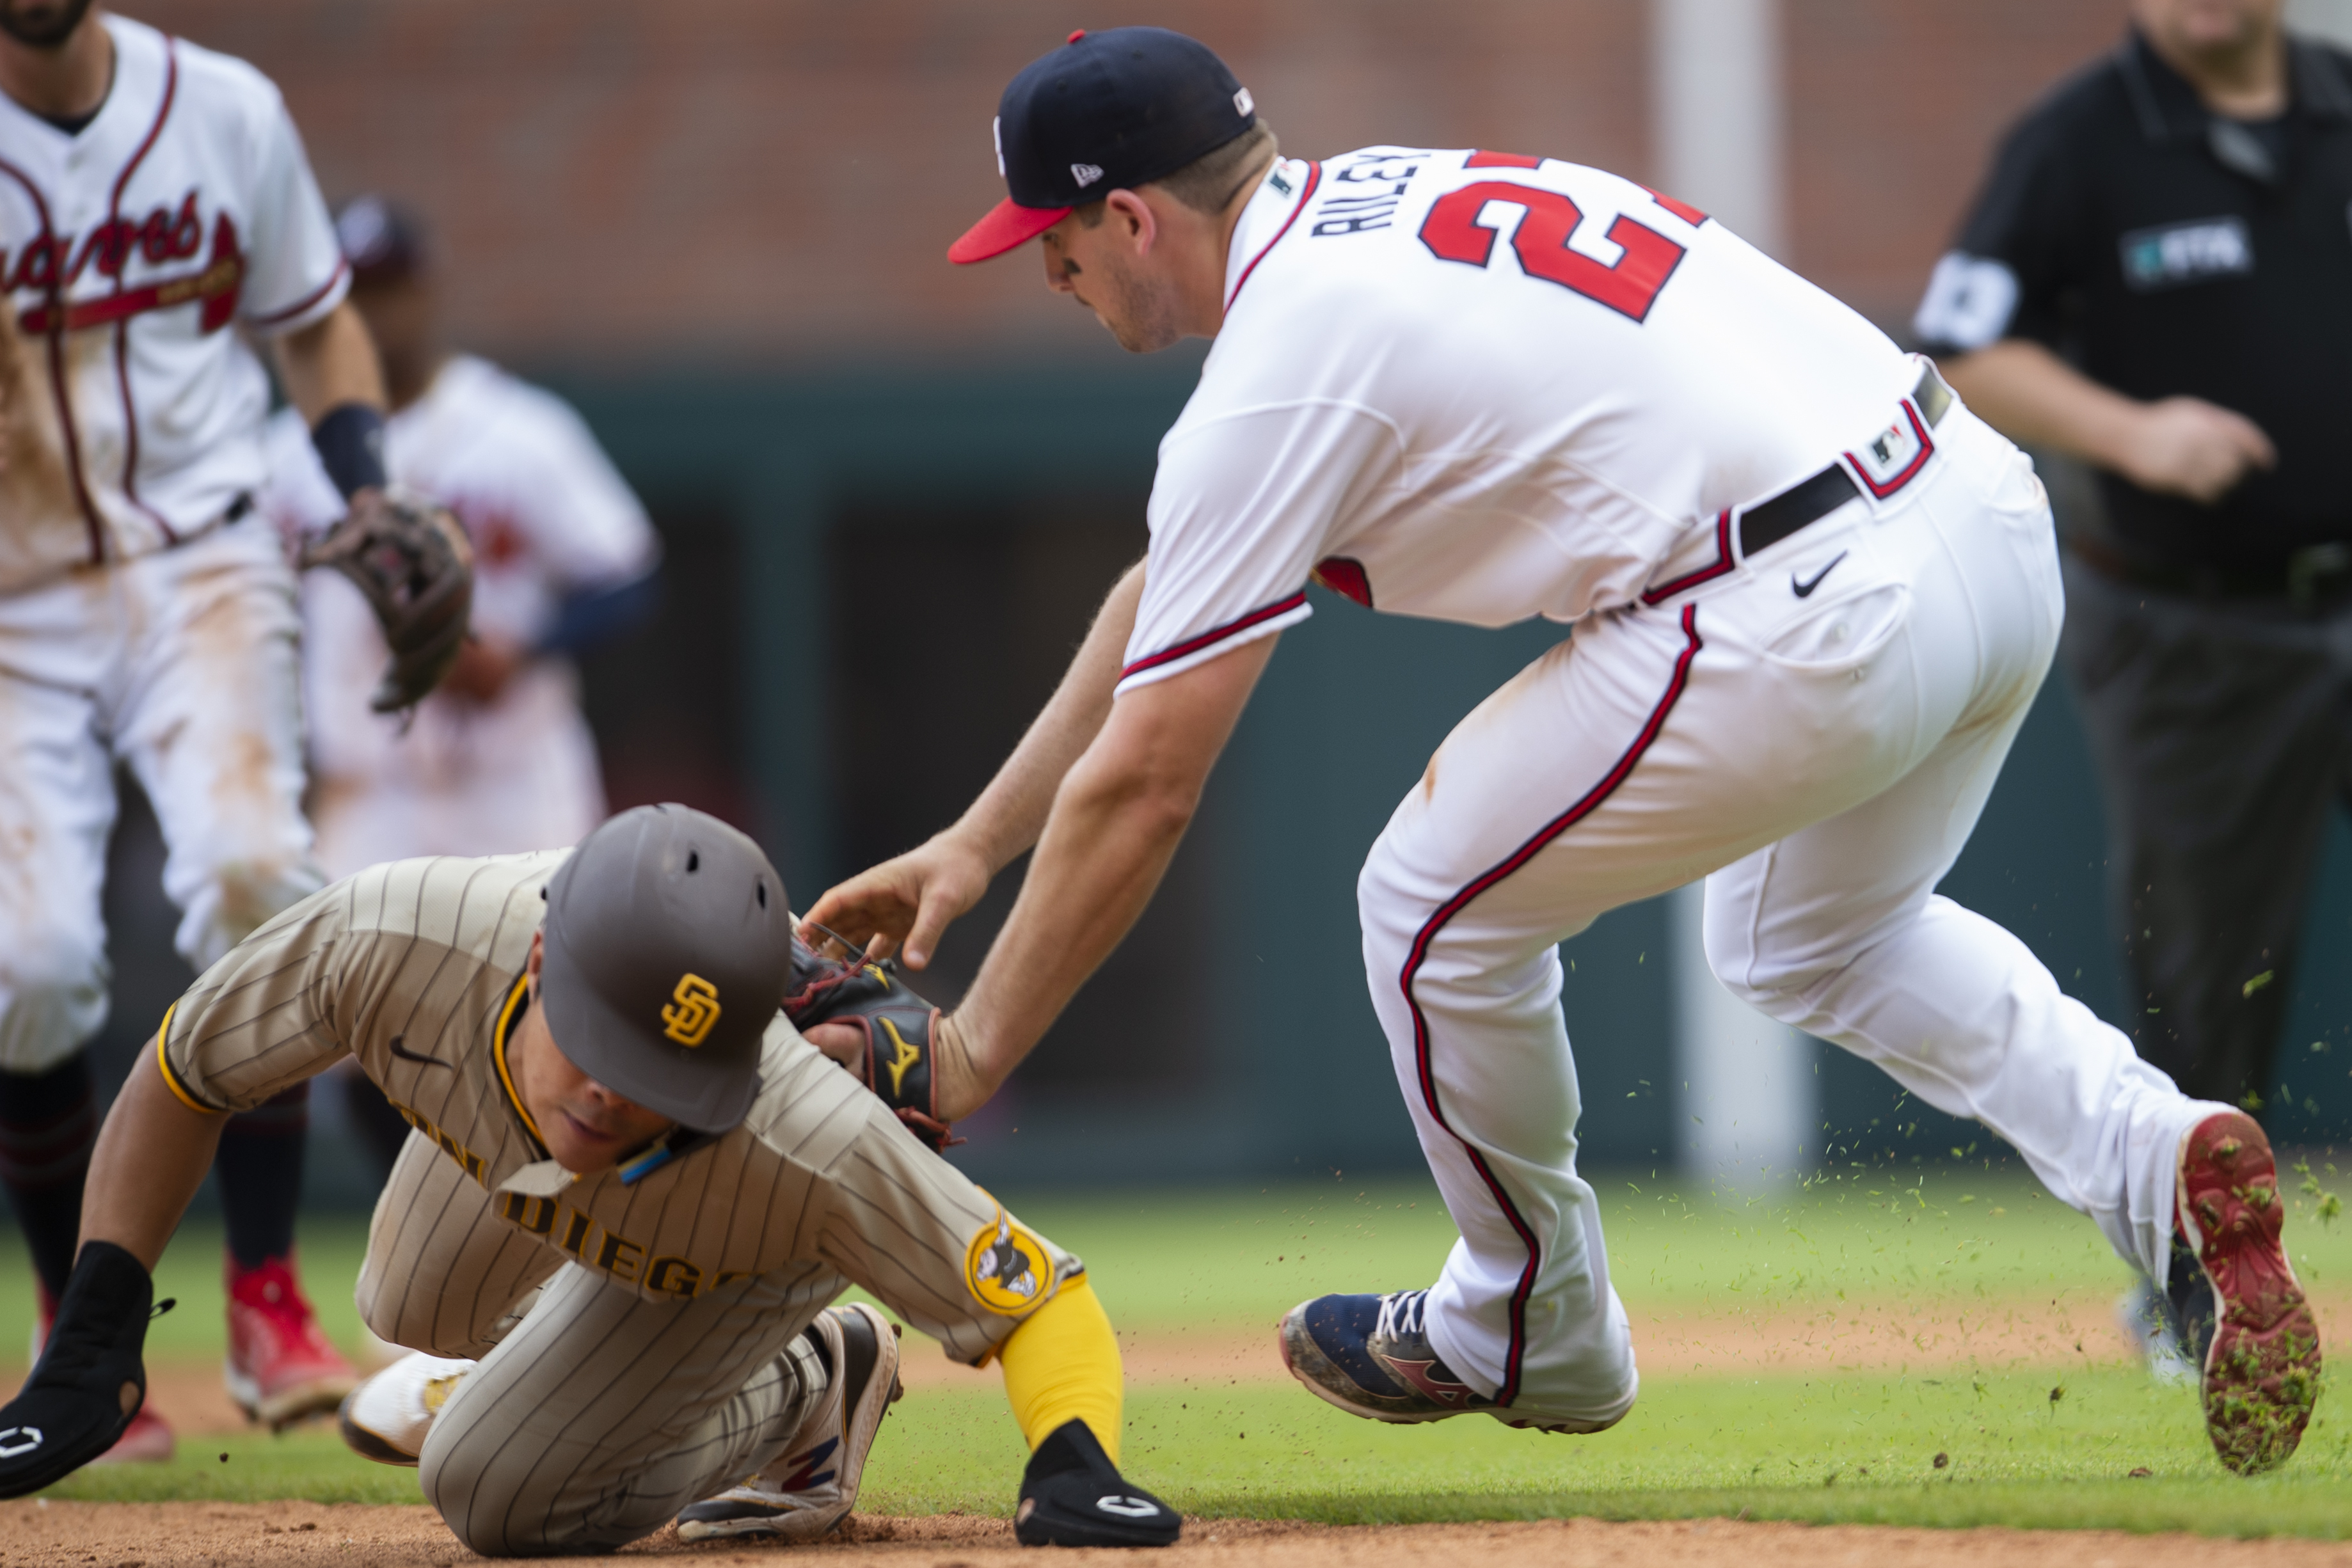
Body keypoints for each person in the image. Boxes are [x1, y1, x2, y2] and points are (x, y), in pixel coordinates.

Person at [807, 26, 2323, 1475]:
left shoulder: (1278, 364)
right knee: (1806, 936)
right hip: (1976, 517)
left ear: (1129, 217)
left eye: (1051, 238)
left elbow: (1147, 781)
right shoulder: (1377, 210)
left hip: (1795, 594)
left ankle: (1530, 1325)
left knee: (1423, 906)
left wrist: (976, 1047)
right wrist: (974, 841)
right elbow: (1172, 588)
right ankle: (2157, 1148)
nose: (1047, 268)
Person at [0, 804, 1182, 1553]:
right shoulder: (401, 936)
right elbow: (183, 1071)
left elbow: (1039, 1298)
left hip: (743, 1231)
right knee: (405, 1302)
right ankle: (567, 1373)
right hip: (508, 1125)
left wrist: (1072, 1464)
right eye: (607, 1044)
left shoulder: (800, 1133)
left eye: (663, 1073)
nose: (614, 1092)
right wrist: (94, 1338)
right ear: (535, 956)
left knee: (497, 1494)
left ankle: (818, 1376)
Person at [1912, 0, 2352, 1378]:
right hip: (2189, 619)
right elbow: (1958, 341)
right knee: (2205, 977)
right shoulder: (2077, 143)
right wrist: (2130, 431)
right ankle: (2191, 1287)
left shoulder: (2340, 100)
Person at [0, 0, 411, 1452]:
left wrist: (362, 488)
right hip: (10, 594)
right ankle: (77, 1332)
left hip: (201, 563)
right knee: (29, 964)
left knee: (255, 881)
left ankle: (263, 1292)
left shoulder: (223, 105)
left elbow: (316, 324)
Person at [258, 194, 661, 1180]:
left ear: (426, 289)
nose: (380, 317)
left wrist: (523, 650)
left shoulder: (517, 429)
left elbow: (629, 575)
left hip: (514, 777)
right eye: (362, 295)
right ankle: (431, 1237)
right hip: (372, 783)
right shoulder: (283, 460)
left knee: (568, 1011)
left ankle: (559, 1236)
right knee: (356, 1024)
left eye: (394, 290)